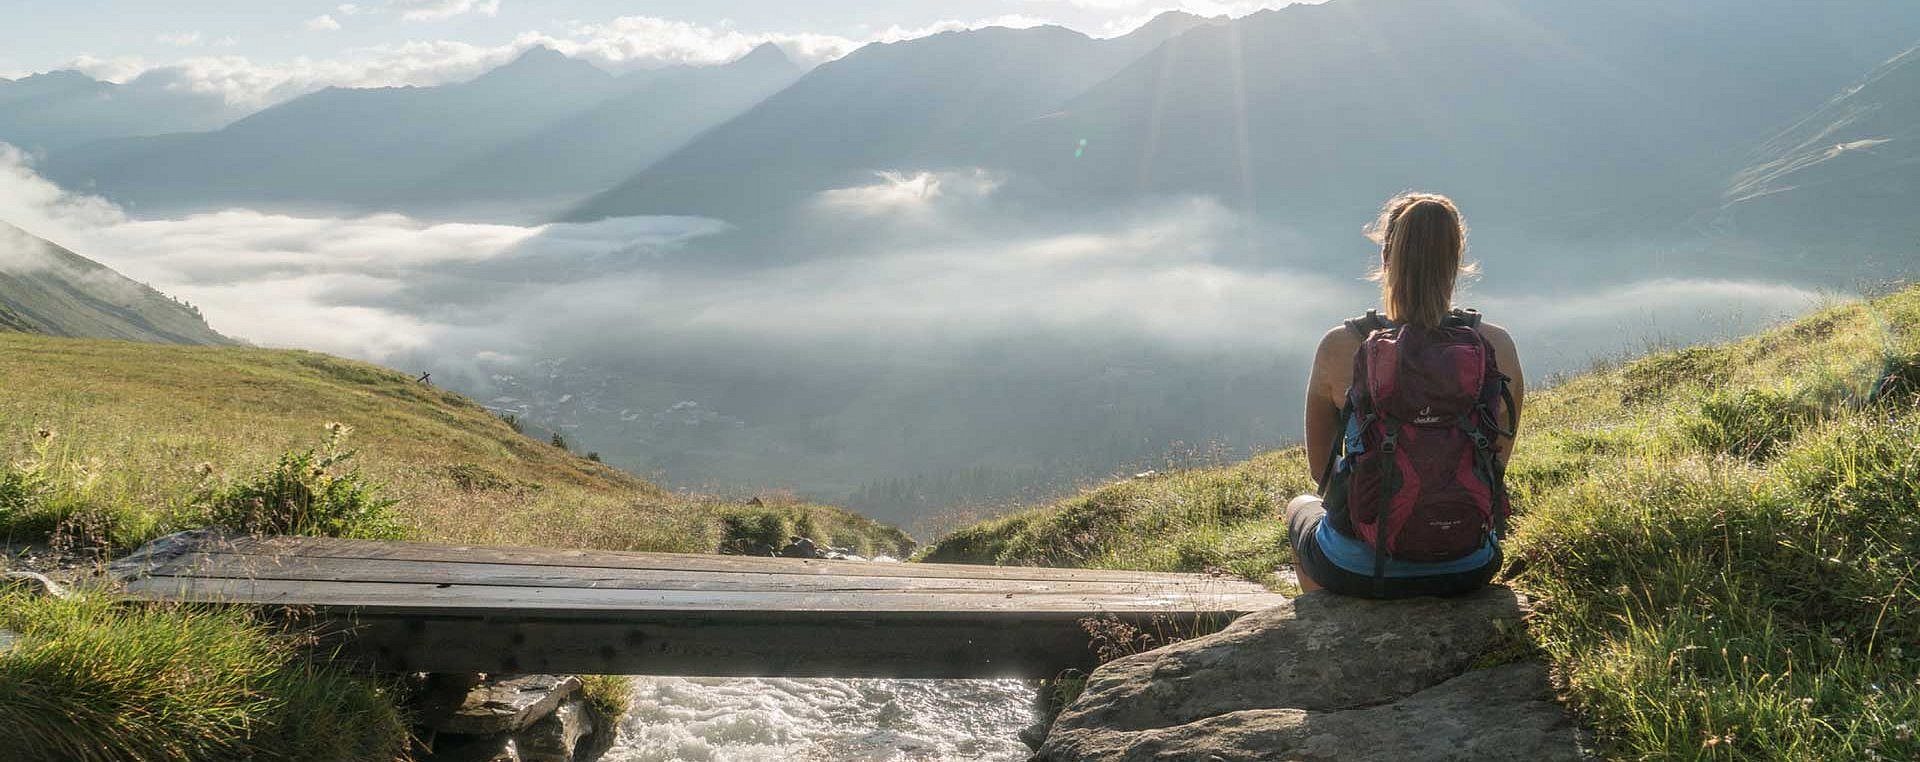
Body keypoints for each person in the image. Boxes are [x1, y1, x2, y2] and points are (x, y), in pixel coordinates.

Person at [1283, 192, 1526, 598]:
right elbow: (1496, 460)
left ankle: (1327, 621)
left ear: (1385, 258)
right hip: (1469, 562)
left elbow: (1321, 471)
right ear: (1456, 259)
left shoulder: (1341, 345)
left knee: (1299, 506)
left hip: (1359, 567)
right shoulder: (1495, 345)